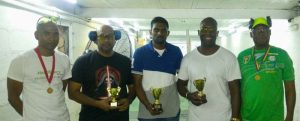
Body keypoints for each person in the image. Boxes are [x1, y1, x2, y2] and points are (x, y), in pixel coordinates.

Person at [177, 17, 241, 121]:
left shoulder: (229, 57)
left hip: (223, 117)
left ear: (217, 33)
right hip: (195, 118)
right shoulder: (188, 58)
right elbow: (180, 84)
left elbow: (235, 91)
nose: (208, 33)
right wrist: (188, 95)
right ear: (199, 32)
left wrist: (235, 118)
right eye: (204, 29)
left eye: (212, 30)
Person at [7, 16, 71, 121]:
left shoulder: (64, 59)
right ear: (36, 35)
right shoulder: (21, 61)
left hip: (63, 117)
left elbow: (60, 89)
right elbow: (13, 98)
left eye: (56, 34)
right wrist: (30, 116)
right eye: (47, 33)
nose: (52, 38)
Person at [68, 25, 135, 121]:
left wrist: (129, 100)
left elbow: (133, 88)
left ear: (115, 39)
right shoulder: (82, 62)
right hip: (91, 117)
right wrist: (97, 104)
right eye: (102, 36)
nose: (107, 40)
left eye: (110, 36)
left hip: (119, 117)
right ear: (95, 39)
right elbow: (73, 93)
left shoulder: (125, 62)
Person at [238, 17, 296, 121]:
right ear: (251, 34)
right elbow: (236, 88)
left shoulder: (282, 55)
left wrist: (290, 116)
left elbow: (290, 88)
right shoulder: (242, 57)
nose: (261, 32)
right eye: (257, 30)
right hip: (247, 116)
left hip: (274, 117)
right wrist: (236, 114)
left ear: (270, 33)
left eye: (264, 29)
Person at [132, 16, 183, 121]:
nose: (160, 33)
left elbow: (182, 80)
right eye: (156, 30)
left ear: (168, 33)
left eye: (163, 30)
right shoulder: (140, 53)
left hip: (171, 111)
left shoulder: (176, 51)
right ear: (150, 32)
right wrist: (147, 105)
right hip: (147, 113)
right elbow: (137, 84)